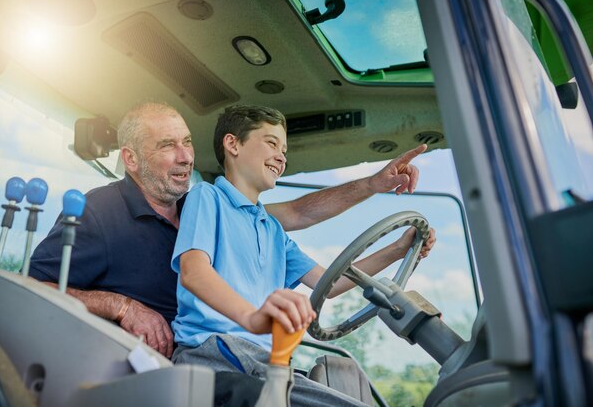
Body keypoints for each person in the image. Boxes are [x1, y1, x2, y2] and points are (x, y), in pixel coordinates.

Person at [29, 102, 433, 359]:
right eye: (168, 145)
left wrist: (387, 220)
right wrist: (122, 307)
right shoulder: (101, 211)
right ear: (131, 160)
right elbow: (33, 290)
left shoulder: (213, 210)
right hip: (165, 360)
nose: (187, 156)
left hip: (241, 353)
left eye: (187, 142)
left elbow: (299, 216)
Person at [171, 105, 436, 407]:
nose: (282, 156)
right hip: (216, 352)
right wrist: (252, 318)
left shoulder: (272, 229)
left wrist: (397, 250)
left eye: (284, 149)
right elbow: (193, 271)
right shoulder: (208, 197)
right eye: (271, 143)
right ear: (233, 144)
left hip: (263, 362)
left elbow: (330, 283)